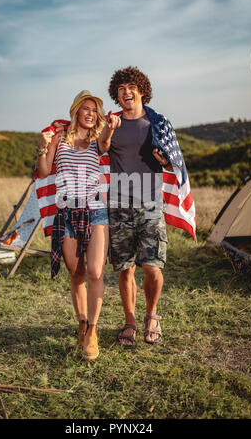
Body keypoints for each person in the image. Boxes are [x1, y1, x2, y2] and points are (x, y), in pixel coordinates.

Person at [36, 90, 120, 360]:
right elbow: (44, 171)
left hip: (95, 211)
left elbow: (107, 142)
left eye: (94, 110)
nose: (90, 114)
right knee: (76, 272)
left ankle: (93, 331)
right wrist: (42, 146)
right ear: (75, 111)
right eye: (86, 109)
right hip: (66, 213)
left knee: (96, 271)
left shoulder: (98, 139)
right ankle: (81, 322)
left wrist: (108, 128)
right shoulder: (59, 137)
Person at [98, 66, 175, 348]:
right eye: (121, 89)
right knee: (126, 269)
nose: (126, 92)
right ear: (117, 95)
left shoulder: (158, 123)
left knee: (153, 266)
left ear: (142, 90)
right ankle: (130, 321)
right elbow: (102, 148)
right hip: (119, 206)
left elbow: (172, 160)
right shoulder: (113, 123)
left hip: (151, 205)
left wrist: (164, 161)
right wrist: (108, 127)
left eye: (131, 87)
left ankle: (151, 316)